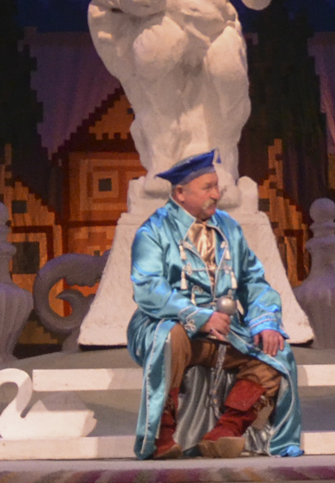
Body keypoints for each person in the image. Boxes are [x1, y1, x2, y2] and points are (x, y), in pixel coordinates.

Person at [127, 150, 303, 459]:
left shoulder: (228, 228)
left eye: (216, 186)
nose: (216, 194)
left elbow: (253, 280)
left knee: (275, 351)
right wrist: (200, 317)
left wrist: (265, 321)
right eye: (207, 187)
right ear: (180, 193)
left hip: (224, 330)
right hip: (168, 325)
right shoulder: (153, 231)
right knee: (169, 337)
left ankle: (226, 431)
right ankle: (161, 435)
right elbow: (148, 289)